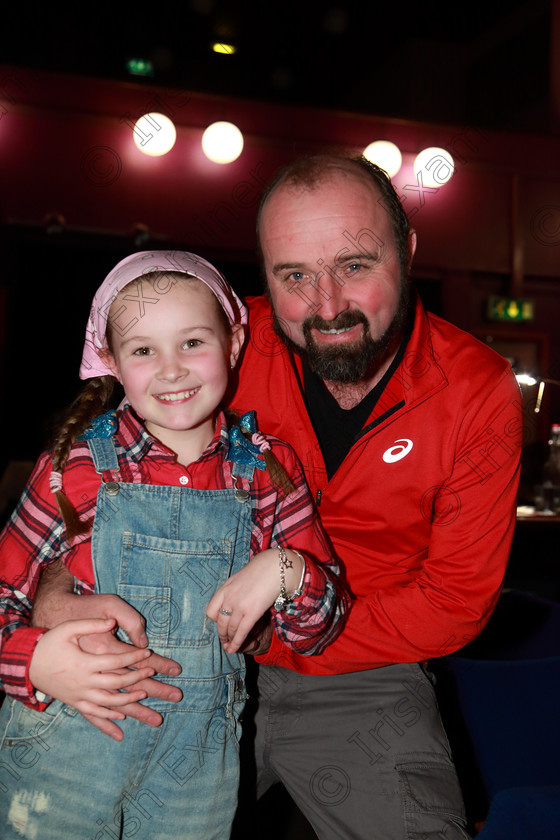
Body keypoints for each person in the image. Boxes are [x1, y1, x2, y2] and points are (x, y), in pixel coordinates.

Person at [26, 154, 522, 840]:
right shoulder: (209, 344)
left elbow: (456, 602)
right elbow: (86, 493)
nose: (325, 305)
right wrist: (50, 596)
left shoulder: (477, 389)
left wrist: (287, 625)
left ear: (407, 250)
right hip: (164, 662)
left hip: (362, 676)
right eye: (294, 275)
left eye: (354, 265)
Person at [0, 250, 349, 840]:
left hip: (196, 771)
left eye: (192, 342)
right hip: (62, 746)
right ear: (111, 361)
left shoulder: (270, 470)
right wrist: (32, 659)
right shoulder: (73, 467)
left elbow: (322, 626)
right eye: (143, 350)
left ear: (233, 342)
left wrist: (286, 569)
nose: (171, 370)